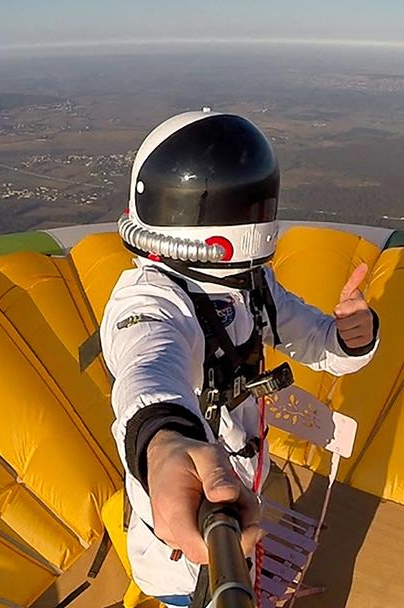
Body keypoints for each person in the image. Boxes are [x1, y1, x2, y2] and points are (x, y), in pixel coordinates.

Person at [101, 109, 379, 606]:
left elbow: (314, 341)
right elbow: (147, 368)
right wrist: (164, 442)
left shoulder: (252, 285)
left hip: (241, 490)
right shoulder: (150, 300)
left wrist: (351, 339)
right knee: (193, 593)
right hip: (184, 530)